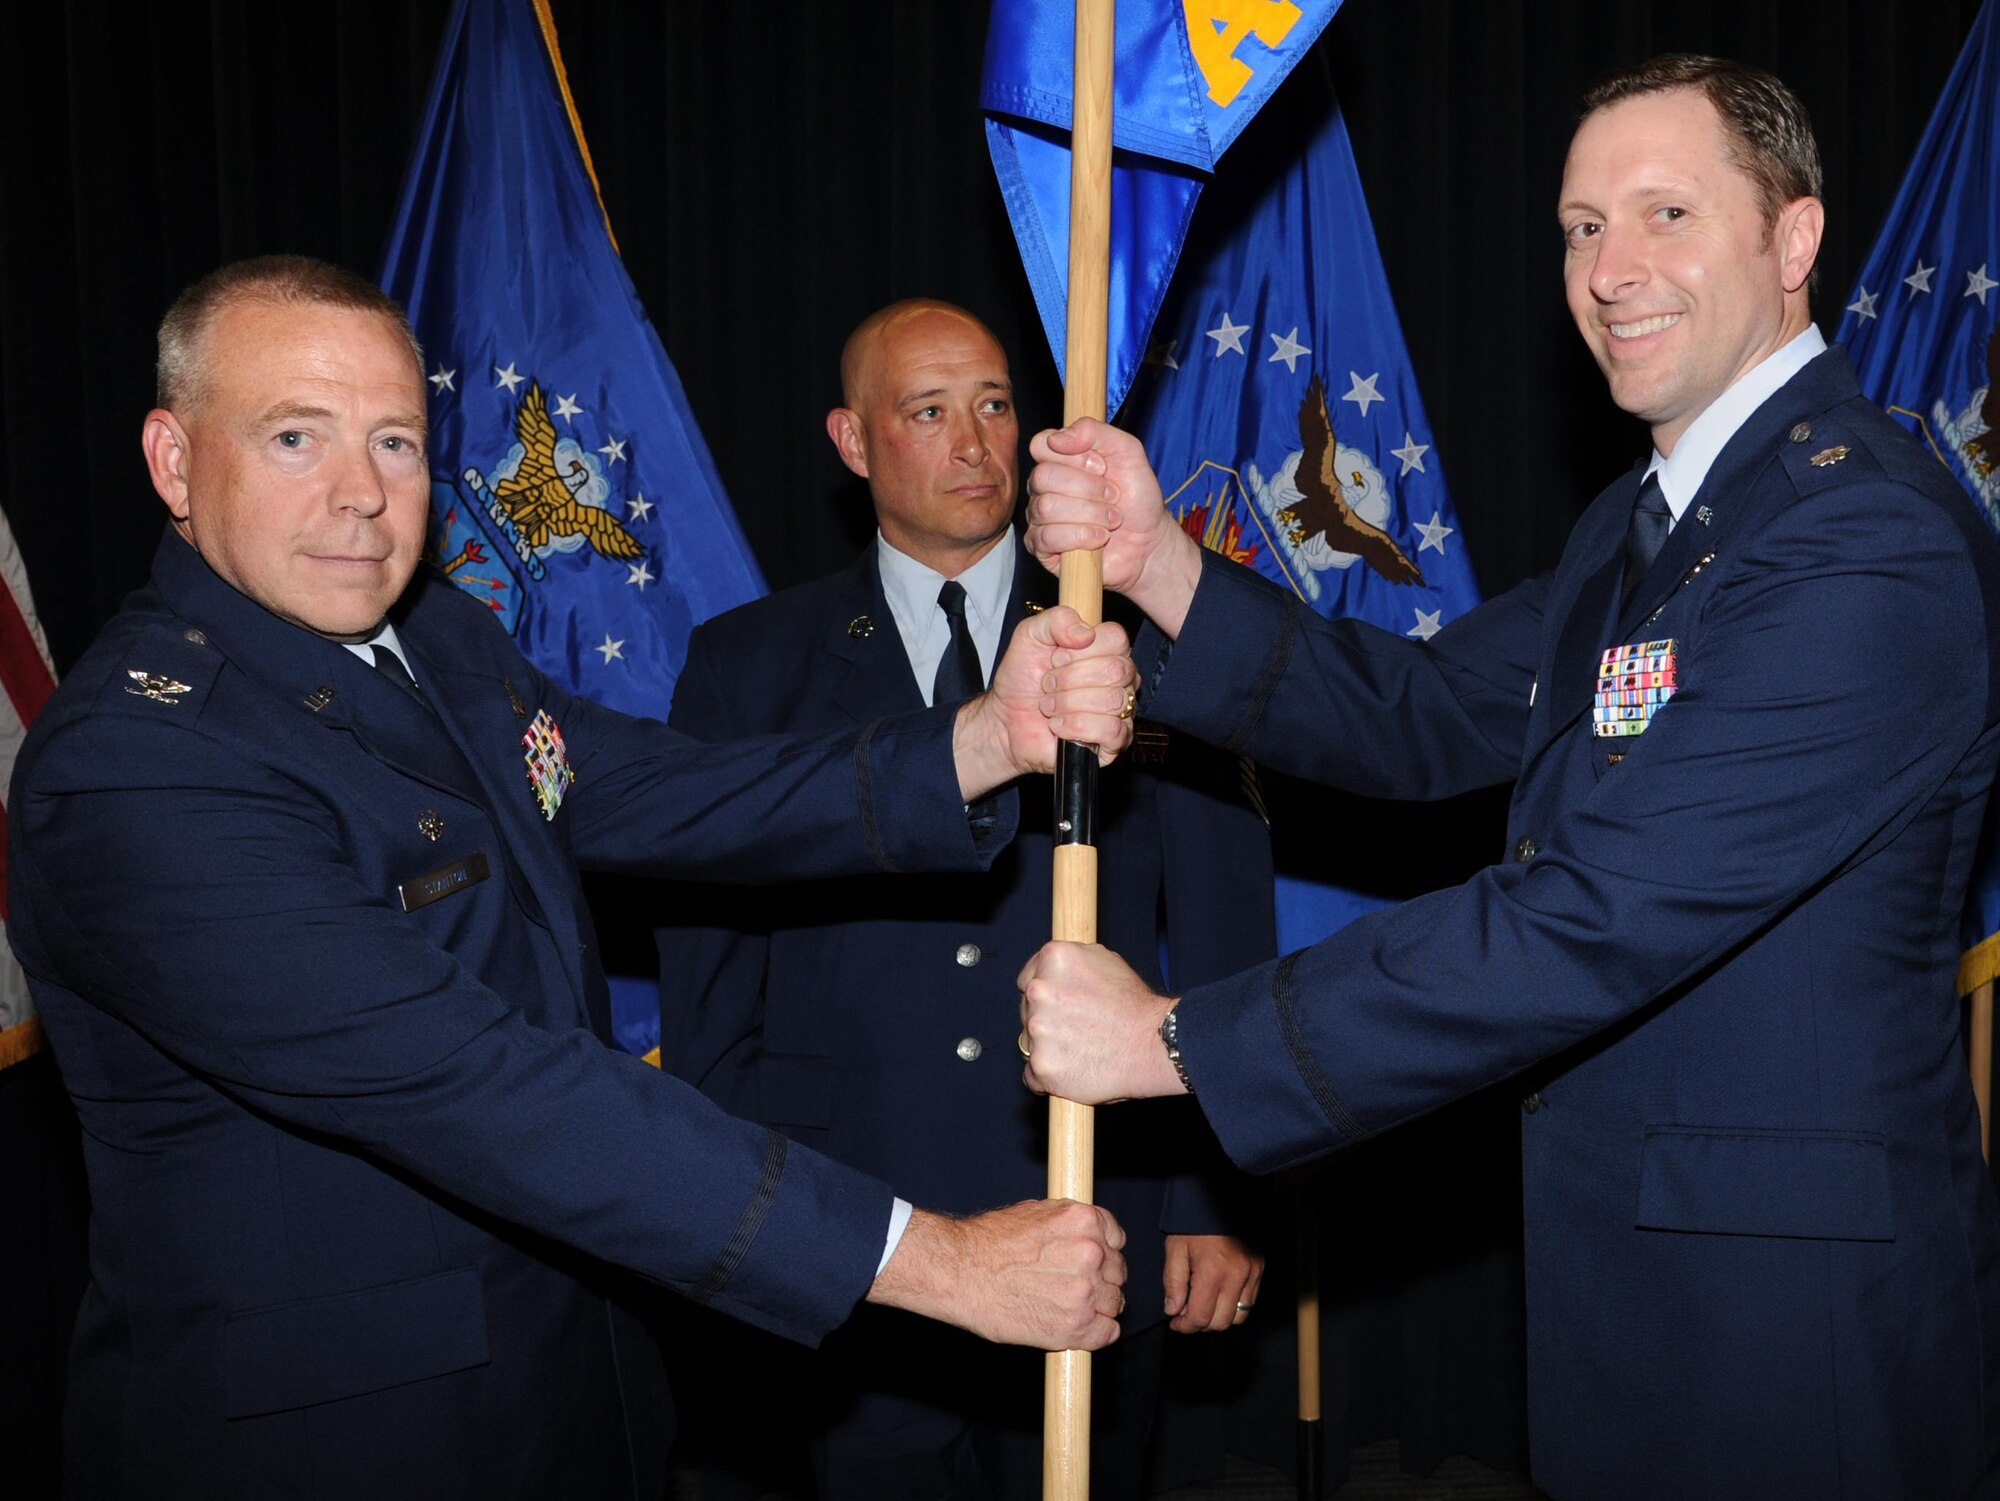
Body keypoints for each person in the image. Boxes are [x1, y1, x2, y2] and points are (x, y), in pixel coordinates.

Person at [1016, 55, 2000, 1501]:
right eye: (1580, 227)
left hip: (1794, 1337)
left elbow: (1594, 912)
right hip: (1626, 1293)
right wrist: (1163, 564)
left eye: (1666, 213)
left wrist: (1176, 1042)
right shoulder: (1642, 519)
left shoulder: (1865, 542)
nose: (1612, 270)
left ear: (1795, 242)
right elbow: (1417, 712)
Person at [3, 256, 1143, 1501]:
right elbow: (480, 1082)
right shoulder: (140, 764)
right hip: (346, 1440)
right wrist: (932, 1261)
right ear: (175, 460)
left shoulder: (438, 639)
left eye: (395, 441)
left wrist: (987, 739)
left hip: (569, 1381)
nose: (362, 497)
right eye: (294, 438)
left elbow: (660, 788)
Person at [653, 298, 1274, 1500]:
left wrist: (1213, 1194)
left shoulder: (1134, 639)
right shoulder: (748, 667)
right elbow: (711, 965)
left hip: (1096, 1203)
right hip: (855, 1224)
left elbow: (1218, 923)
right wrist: (733, 1217)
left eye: (994, 405)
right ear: (851, 441)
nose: (974, 442)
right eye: (927, 411)